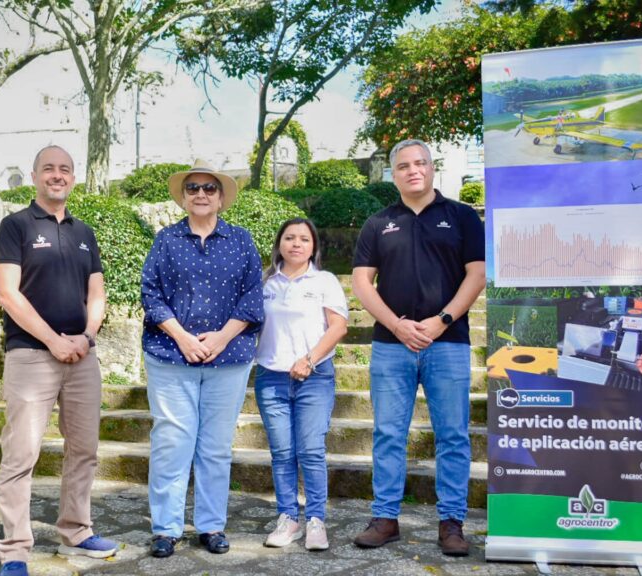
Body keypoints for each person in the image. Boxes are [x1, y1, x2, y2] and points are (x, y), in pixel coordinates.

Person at [351, 139, 485, 556]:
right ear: (394, 173)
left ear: (432, 168)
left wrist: (441, 320)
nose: (414, 170)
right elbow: (360, 282)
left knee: (452, 436)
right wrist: (397, 324)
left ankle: (451, 524)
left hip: (448, 344)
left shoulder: (461, 216)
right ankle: (386, 518)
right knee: (388, 433)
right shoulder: (377, 222)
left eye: (421, 163)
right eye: (405, 165)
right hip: (392, 346)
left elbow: (477, 274)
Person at [0, 145, 118, 576]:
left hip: (82, 357)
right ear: (34, 175)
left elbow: (96, 293)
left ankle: (77, 531)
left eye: (65, 169)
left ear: (74, 178)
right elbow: (9, 294)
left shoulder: (86, 232)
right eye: (49, 168)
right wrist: (53, 341)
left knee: (84, 450)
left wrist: (84, 337)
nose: (57, 175)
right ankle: (14, 550)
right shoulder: (15, 226)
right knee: (20, 455)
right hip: (30, 355)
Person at [140, 159, 264, 558]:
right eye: (193, 188)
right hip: (171, 356)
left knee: (214, 446)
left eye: (209, 188)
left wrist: (223, 338)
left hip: (229, 359)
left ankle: (211, 525)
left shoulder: (242, 241)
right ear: (183, 196)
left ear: (221, 196)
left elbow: (252, 298)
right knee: (172, 442)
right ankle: (166, 528)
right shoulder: (166, 240)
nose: (201, 194)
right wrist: (183, 337)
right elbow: (151, 293)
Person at [254, 218, 348, 551]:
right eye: (290, 238)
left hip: (315, 376)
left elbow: (337, 328)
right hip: (271, 377)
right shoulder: (265, 281)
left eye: (304, 239)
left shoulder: (324, 280)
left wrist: (308, 360)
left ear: (313, 246)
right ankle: (288, 519)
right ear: (279, 243)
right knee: (282, 453)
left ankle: (316, 520)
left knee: (310, 450)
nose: (296, 243)